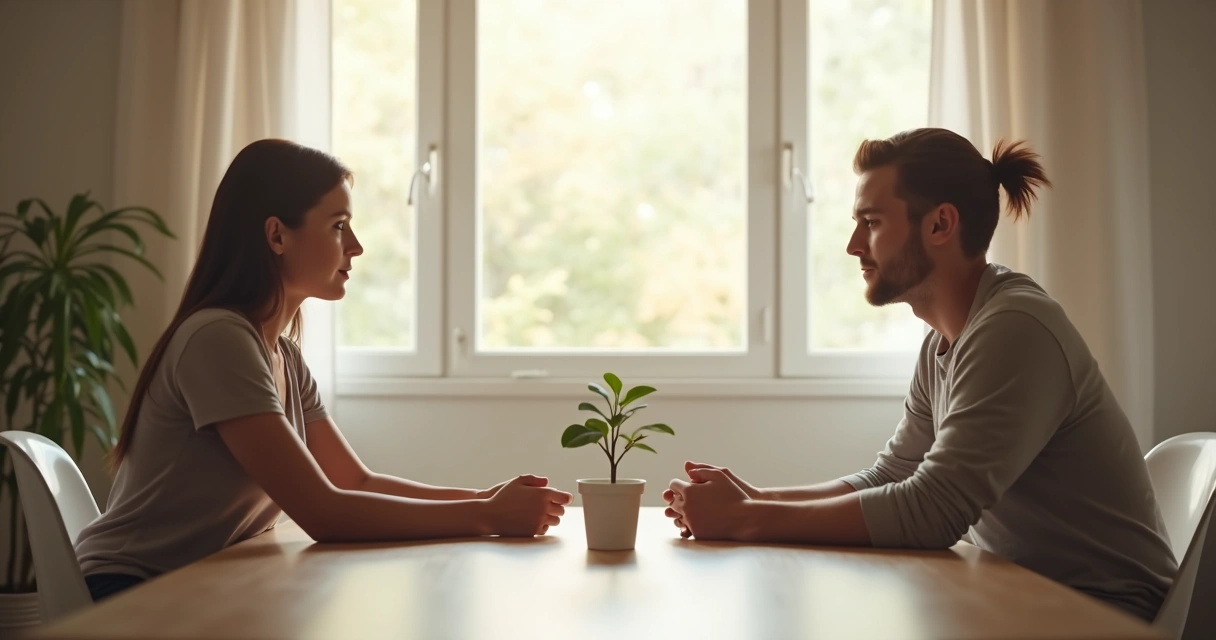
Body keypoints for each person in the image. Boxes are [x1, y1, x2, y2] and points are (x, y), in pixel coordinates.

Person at [663, 128, 1176, 621]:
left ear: (939, 225)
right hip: (1024, 597)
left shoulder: (1015, 328)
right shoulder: (945, 341)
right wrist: (756, 498)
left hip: (1106, 616)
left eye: (871, 222)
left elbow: (933, 511)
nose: (853, 245)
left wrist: (745, 519)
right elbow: (893, 475)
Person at [75, 139, 572, 602]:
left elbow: (355, 482)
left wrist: (484, 498)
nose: (355, 246)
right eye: (338, 226)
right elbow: (324, 512)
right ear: (277, 235)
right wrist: (486, 515)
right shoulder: (217, 339)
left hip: (194, 583)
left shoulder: (284, 356)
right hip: (127, 591)